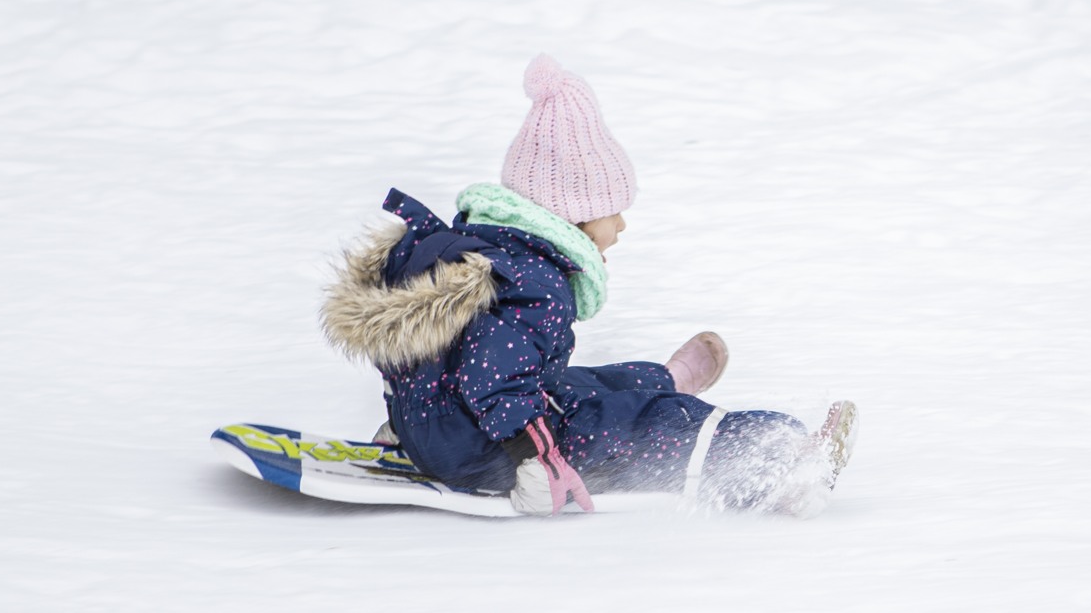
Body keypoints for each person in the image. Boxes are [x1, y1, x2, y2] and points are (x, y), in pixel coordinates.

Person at [320, 54, 857, 517]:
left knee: (578, 384)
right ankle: (776, 459)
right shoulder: (534, 282)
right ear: (573, 216)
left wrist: (409, 425)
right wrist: (540, 462)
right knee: (645, 422)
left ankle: (662, 379)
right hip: (491, 450)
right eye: (611, 212)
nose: (620, 226)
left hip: (445, 427)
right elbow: (495, 386)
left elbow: (437, 361)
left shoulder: (482, 252)